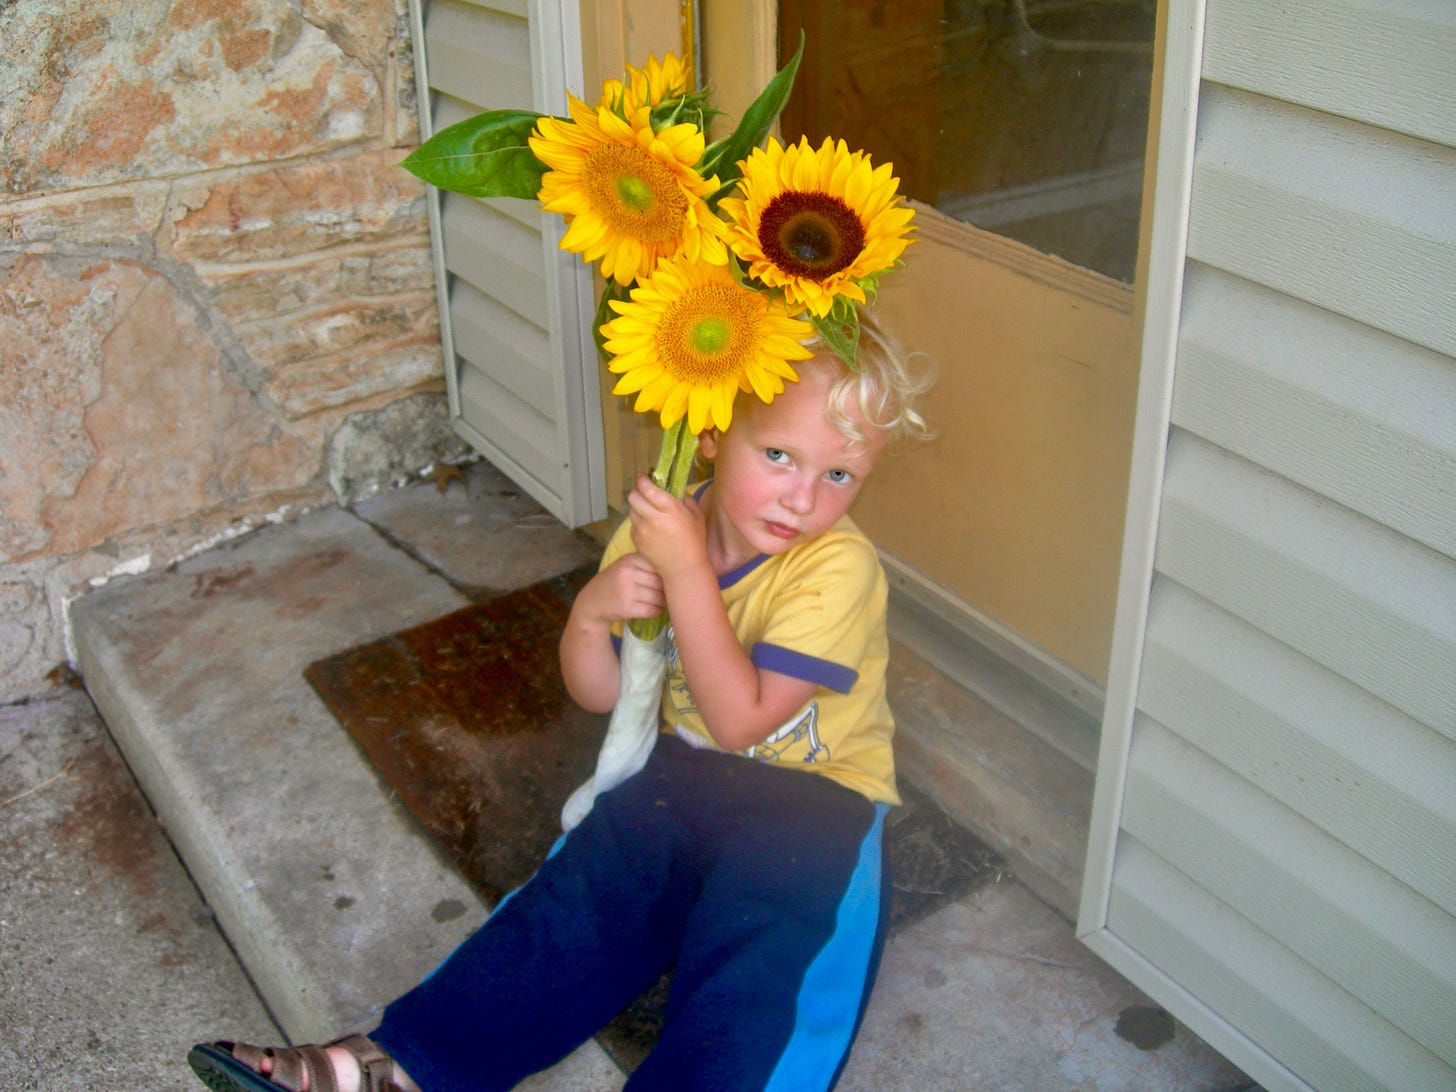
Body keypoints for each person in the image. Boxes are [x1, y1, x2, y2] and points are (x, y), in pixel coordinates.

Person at [188, 318, 932, 1092]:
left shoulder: (838, 567)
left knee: (766, 957)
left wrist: (684, 576)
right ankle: (392, 1071)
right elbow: (599, 690)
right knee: (577, 902)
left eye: (840, 476)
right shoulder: (666, 526)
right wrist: (591, 615)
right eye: (778, 455)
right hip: (686, 770)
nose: (803, 498)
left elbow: (742, 717)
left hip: (818, 797)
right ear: (712, 432)